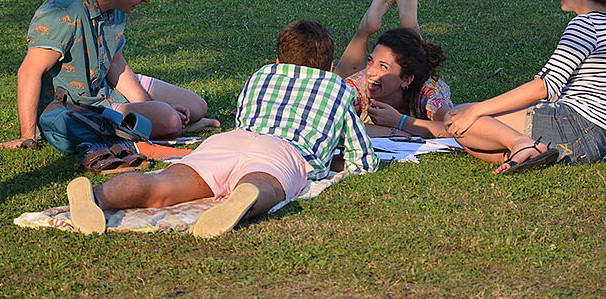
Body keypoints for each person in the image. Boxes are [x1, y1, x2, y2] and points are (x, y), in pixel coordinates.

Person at [66, 20, 379, 237]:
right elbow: (362, 159)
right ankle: (246, 195)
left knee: (163, 184)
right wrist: (331, 160)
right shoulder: (338, 88)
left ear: (277, 59)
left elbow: (244, 117)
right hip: (283, 153)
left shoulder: (261, 75)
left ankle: (98, 196)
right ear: (327, 66)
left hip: (231, 141)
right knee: (264, 183)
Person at [0, 0, 218, 151]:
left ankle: (164, 125)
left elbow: (115, 63)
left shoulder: (117, 6)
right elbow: (29, 72)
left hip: (104, 90)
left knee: (197, 107)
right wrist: (27, 136)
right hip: (75, 106)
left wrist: (149, 106)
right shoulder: (63, 10)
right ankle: (169, 127)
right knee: (169, 119)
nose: (147, 0)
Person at [444, 0, 606, 174]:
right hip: (604, 140)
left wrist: (477, 110)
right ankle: (527, 150)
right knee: (476, 135)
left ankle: (523, 145)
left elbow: (543, 87)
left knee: (458, 117)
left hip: (578, 127)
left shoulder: (585, 25)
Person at [335, 0, 453, 138]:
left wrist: (400, 121)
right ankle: (364, 30)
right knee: (335, 85)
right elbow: (326, 120)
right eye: (370, 61)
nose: (371, 72)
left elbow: (454, 128)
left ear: (406, 80)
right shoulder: (361, 85)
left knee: (418, 60)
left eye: (383, 66)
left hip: (418, 80)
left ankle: (410, 29)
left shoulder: (427, 93)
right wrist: (394, 132)